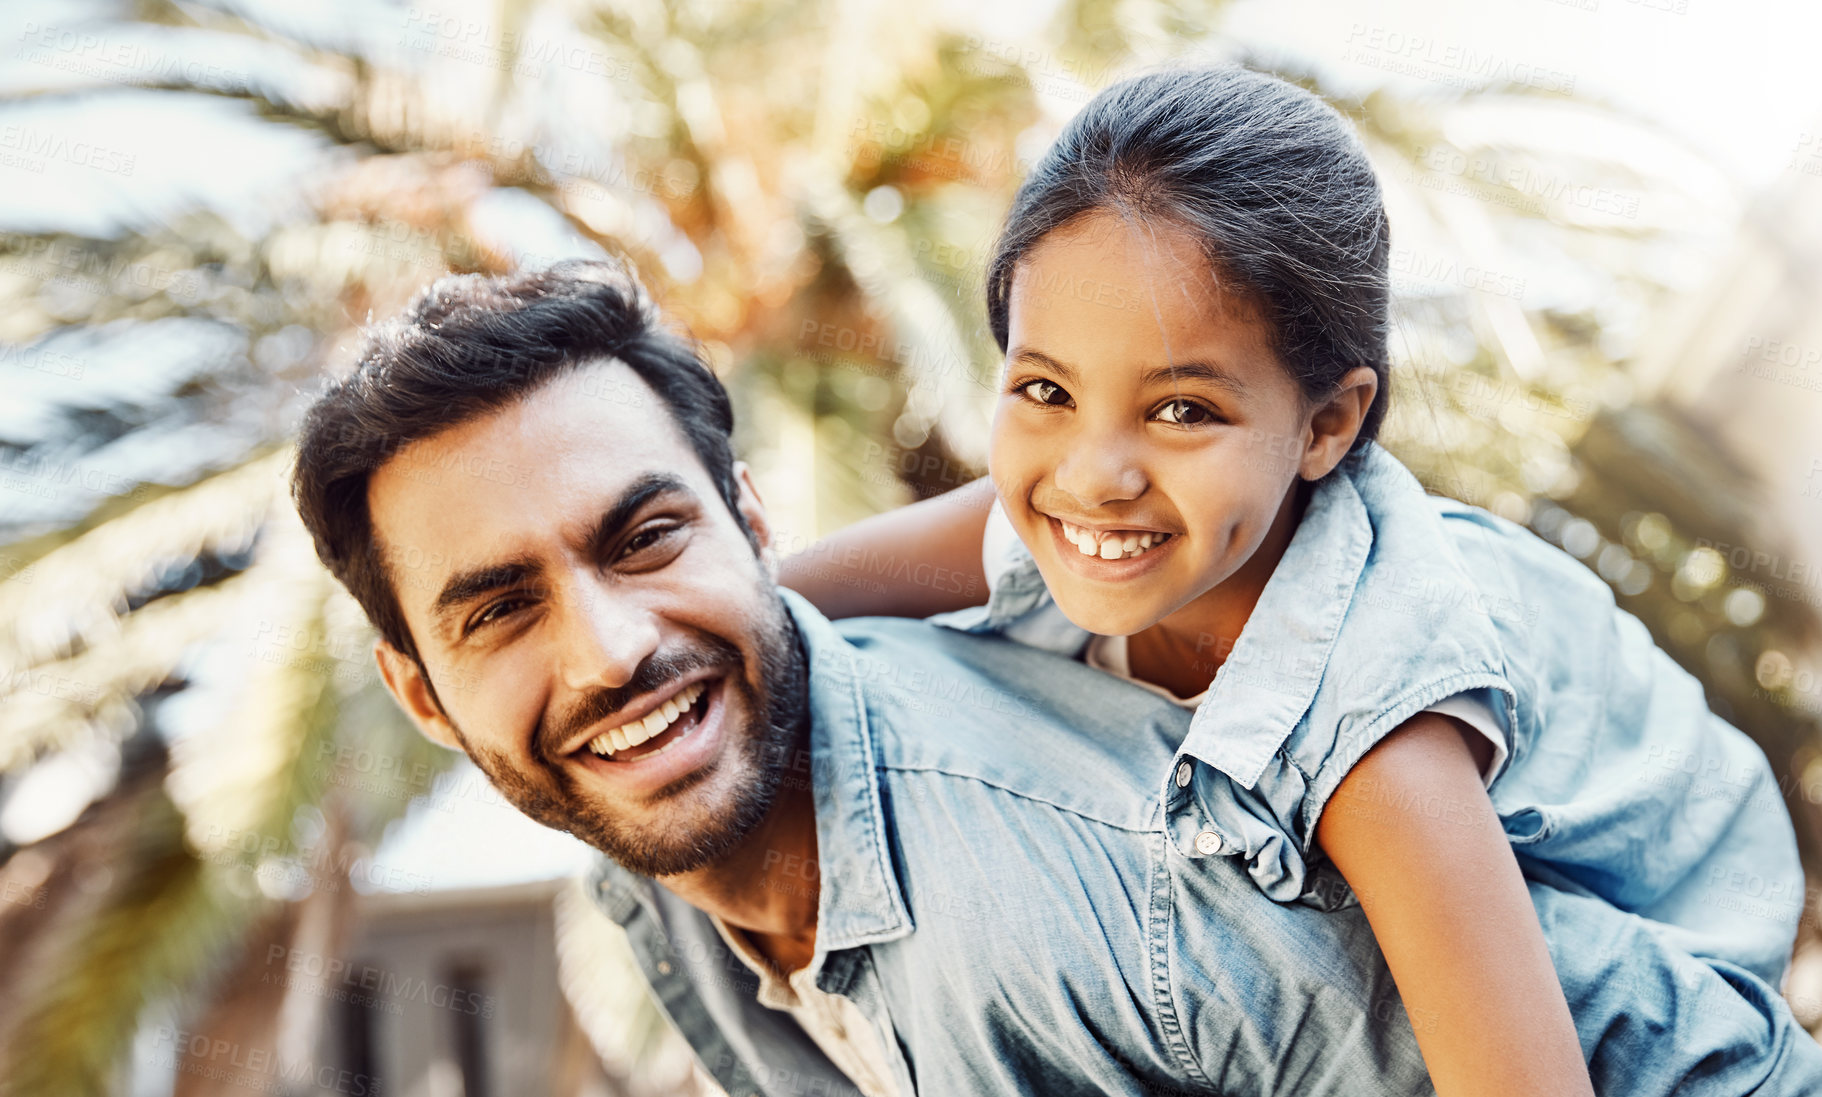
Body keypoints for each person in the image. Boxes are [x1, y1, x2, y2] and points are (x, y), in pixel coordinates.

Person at [290, 258, 1822, 1096]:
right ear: (420, 690)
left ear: (754, 521)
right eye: (496, 611)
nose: (609, 648)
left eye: (648, 537)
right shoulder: (664, 879)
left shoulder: (1112, 892)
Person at [776, 66, 1810, 1097]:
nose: (1094, 472)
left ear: (1327, 423)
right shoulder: (1066, 515)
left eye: (1181, 409)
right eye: (1044, 389)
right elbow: (758, 614)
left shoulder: (1379, 734)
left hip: (1675, 1037)